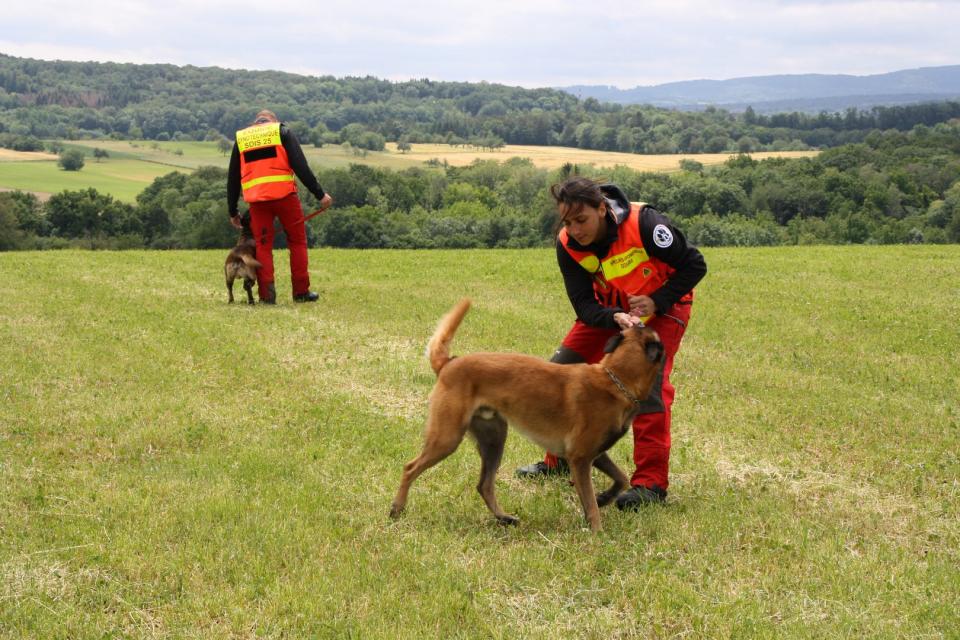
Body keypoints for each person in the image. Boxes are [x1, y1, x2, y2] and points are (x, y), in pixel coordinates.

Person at [515, 176, 707, 510]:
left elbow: (695, 265)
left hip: (666, 308)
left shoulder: (646, 225)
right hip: (611, 313)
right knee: (556, 374)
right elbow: (583, 305)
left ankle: (650, 485)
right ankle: (560, 458)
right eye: (567, 223)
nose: (575, 230)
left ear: (602, 209)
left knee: (648, 389)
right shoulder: (567, 245)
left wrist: (657, 301)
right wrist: (615, 317)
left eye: (582, 220)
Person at [226, 110, 333, 304]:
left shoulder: (242, 138)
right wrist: (320, 194)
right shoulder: (281, 131)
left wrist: (233, 211)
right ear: (272, 121)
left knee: (263, 246)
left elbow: (233, 177)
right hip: (286, 198)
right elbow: (301, 166)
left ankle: (267, 296)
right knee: (297, 242)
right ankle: (301, 292)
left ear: (255, 123)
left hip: (258, 202)